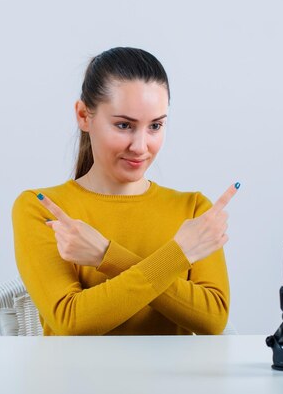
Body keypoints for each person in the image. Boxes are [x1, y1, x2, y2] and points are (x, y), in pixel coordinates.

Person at [12, 47, 239, 336]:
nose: (141, 146)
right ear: (84, 116)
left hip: (172, 382)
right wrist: (178, 254)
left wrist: (108, 256)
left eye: (155, 126)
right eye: (124, 125)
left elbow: (212, 320)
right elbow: (71, 321)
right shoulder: (41, 207)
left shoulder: (193, 209)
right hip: (76, 381)